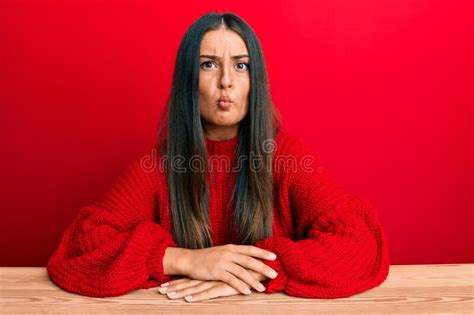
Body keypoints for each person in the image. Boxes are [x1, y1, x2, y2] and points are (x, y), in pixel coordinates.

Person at [47, 12, 390, 302]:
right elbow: (80, 249)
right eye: (209, 65)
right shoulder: (160, 166)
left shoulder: (286, 157)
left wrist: (245, 272)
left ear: (256, 80)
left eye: (241, 66)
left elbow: (359, 244)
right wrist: (187, 260)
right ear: (188, 80)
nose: (226, 81)